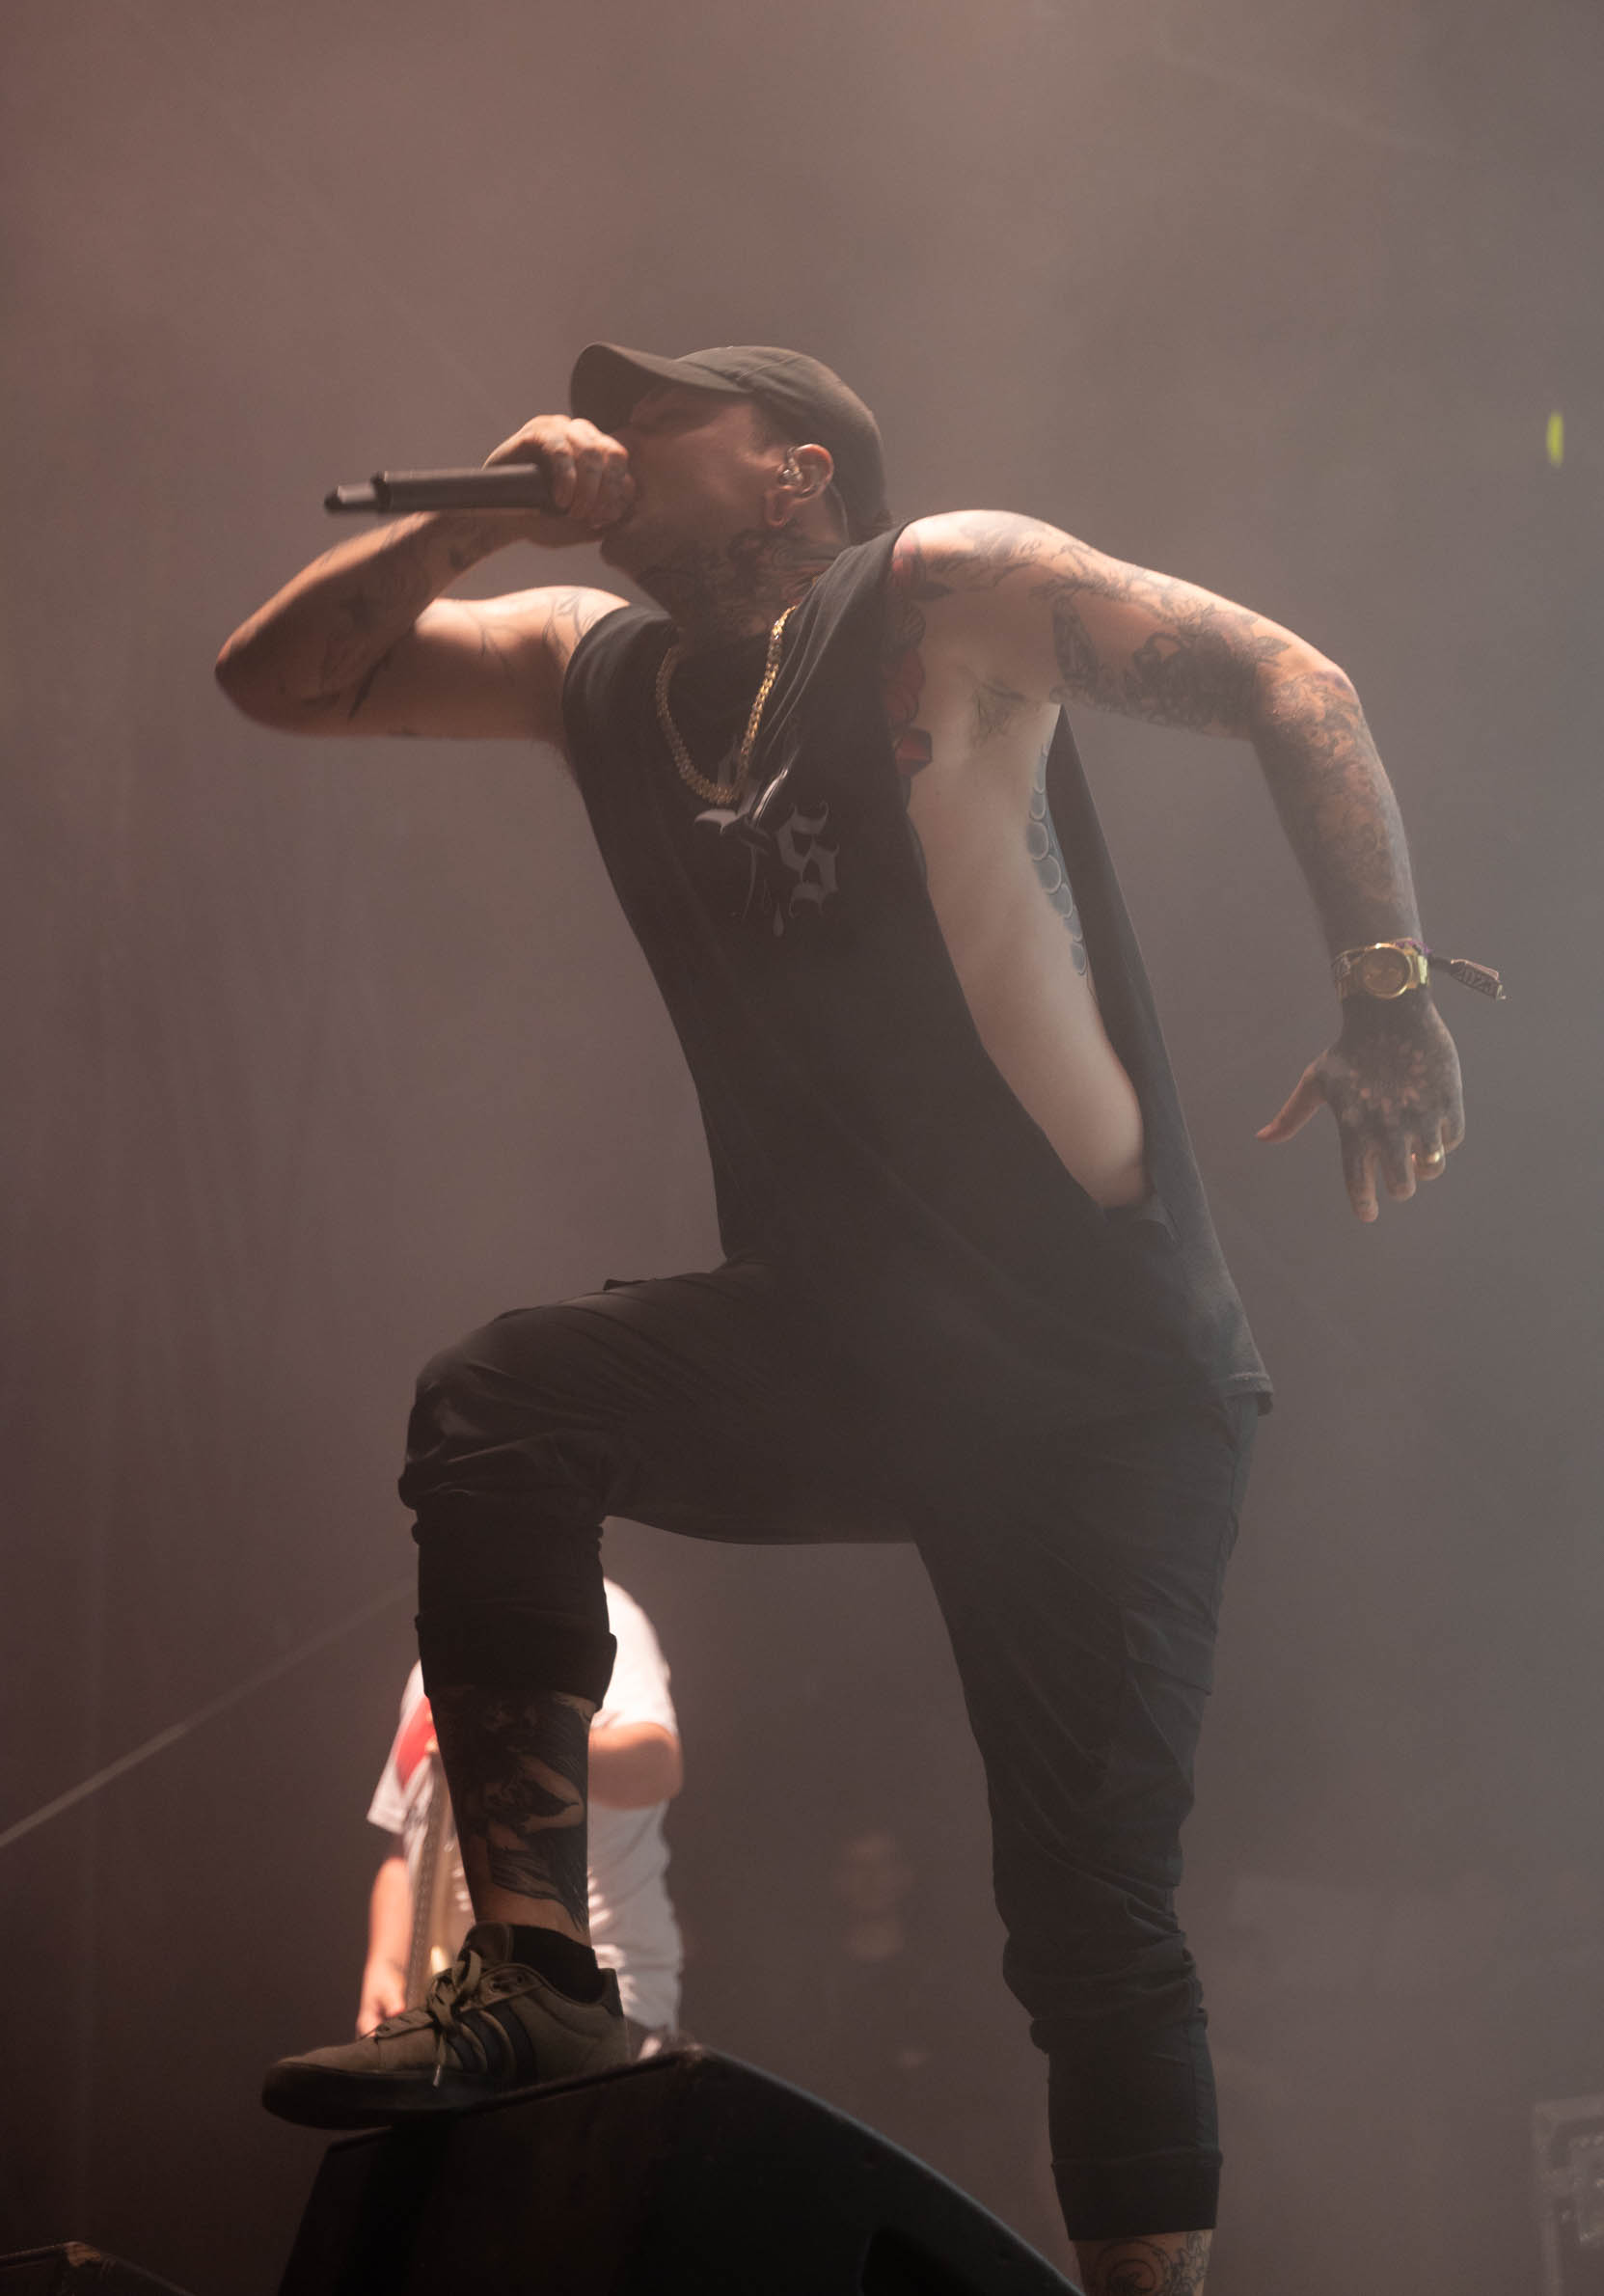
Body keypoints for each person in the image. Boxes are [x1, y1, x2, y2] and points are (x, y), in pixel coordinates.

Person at [220, 341, 1492, 2295]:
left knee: (1083, 1914)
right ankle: (539, 1975)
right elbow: (279, 679)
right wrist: (476, 516)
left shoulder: (935, 591)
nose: (619, 442)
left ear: (795, 469)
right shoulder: (593, 667)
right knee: (502, 1397)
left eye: (666, 417)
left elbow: (1288, 679)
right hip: (842, 1343)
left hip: (1094, 1377)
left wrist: (1383, 987)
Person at [360, 1576, 683, 2056]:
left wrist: (518, 1740)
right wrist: (385, 1965)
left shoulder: (596, 1614)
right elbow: (403, 1847)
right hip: (465, 2021)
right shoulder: (428, 1671)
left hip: (590, 2003)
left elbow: (657, 1766)